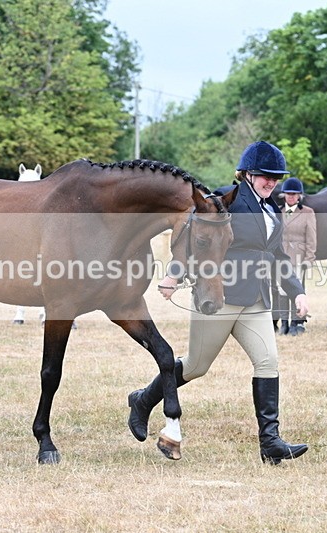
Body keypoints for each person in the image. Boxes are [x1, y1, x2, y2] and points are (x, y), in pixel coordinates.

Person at [127, 140, 309, 464]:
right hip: (219, 298)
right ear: (247, 175)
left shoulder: (272, 208)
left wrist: (297, 291)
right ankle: (142, 401)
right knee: (196, 366)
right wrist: (174, 274)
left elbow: (277, 255)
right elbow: (193, 238)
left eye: (276, 177)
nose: (272, 182)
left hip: (255, 300)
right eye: (265, 176)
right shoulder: (227, 200)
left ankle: (271, 443)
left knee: (268, 361)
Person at [274, 177, 317, 336]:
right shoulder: (278, 212)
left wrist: (309, 259)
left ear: (299, 195)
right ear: (283, 195)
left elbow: (311, 239)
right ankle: (283, 322)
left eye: (294, 194)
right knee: (281, 291)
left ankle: (295, 322)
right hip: (281, 257)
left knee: (296, 291)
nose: (291, 197)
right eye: (288, 194)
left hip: (298, 258)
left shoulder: (307, 212)